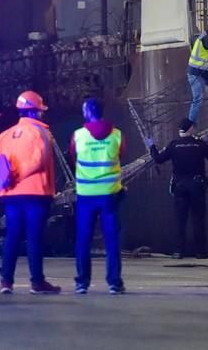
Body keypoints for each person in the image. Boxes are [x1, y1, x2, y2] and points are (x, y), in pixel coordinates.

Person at [0, 90, 61, 295]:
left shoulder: (4, 136)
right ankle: (37, 282)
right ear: (35, 112)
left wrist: (6, 180)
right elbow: (39, 159)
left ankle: (6, 282)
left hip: (10, 194)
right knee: (34, 237)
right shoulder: (42, 133)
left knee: (12, 235)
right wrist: (19, 175)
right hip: (36, 193)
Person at [69, 98, 126, 295]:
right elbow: (121, 155)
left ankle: (82, 283)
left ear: (87, 112)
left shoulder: (78, 136)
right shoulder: (117, 135)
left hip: (86, 195)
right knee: (111, 239)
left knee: (83, 239)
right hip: (109, 194)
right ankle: (114, 283)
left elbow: (74, 157)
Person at [148, 118, 208, 259]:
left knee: (180, 219)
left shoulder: (174, 145)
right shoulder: (199, 144)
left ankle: (178, 251)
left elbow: (159, 159)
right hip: (197, 185)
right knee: (198, 219)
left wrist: (152, 146)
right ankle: (200, 252)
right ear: (190, 129)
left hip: (180, 185)